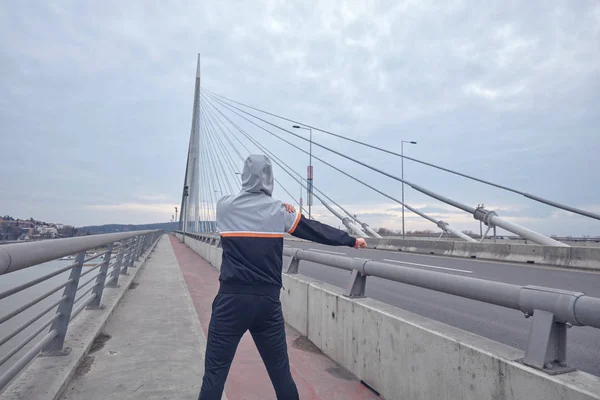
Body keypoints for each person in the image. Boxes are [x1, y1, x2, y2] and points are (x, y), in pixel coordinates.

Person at [199, 154, 367, 399]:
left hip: (231, 302)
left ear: (244, 177)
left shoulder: (224, 206)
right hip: (267, 304)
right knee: (281, 375)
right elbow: (314, 230)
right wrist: (351, 240)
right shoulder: (280, 211)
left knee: (214, 375)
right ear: (269, 177)